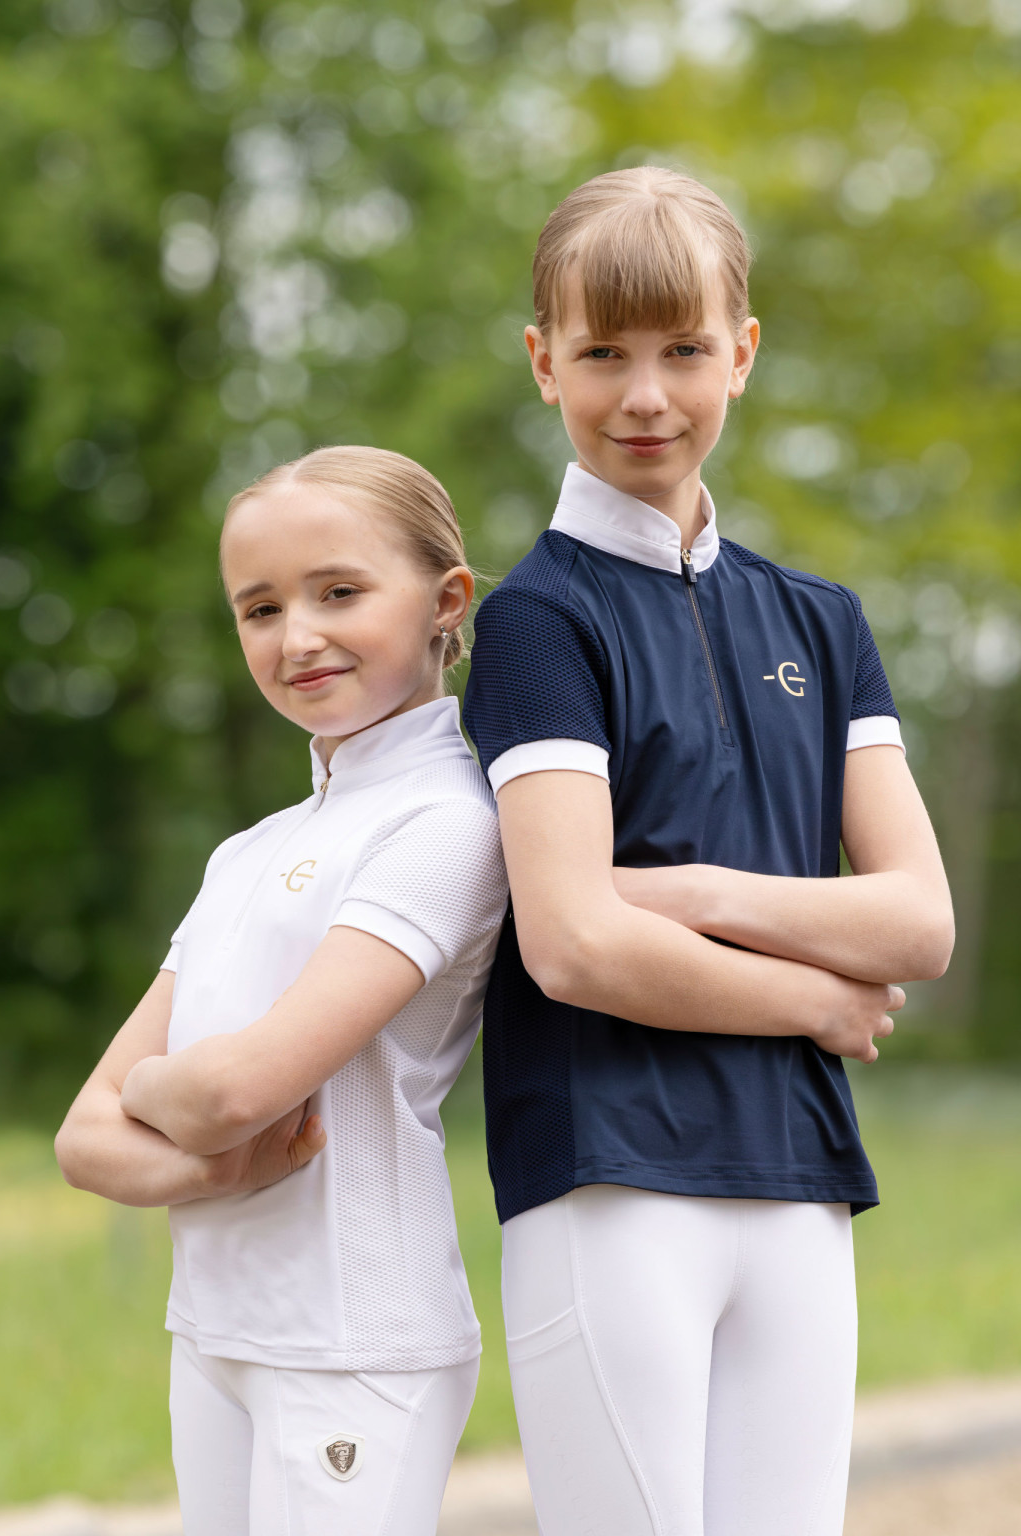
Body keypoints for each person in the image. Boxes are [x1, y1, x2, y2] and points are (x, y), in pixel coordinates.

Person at [463, 167, 954, 1535]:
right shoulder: (536, 624)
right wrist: (810, 996)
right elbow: (573, 946)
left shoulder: (822, 621)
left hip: (799, 1178)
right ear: (542, 361)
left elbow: (918, 922)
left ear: (741, 351)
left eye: (683, 350)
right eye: (602, 355)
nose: (644, 396)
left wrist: (685, 891)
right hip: (609, 1175)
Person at [55, 446, 508, 1536]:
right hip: (214, 1327)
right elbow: (81, 1140)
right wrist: (213, 1160)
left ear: (446, 602)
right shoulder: (247, 852)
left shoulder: (448, 822)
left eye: (338, 592)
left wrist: (164, 1100)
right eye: (260, 609)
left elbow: (233, 1093)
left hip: (352, 1339)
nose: (296, 636)